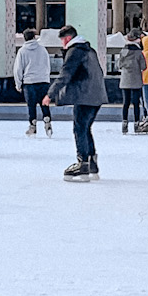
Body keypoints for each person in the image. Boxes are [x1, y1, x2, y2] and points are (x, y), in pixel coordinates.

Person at [51, 23, 105, 180]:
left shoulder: (75, 51)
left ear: (68, 38)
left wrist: (50, 94)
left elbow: (65, 74)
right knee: (85, 128)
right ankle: (91, 163)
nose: (62, 44)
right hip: (96, 95)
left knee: (79, 129)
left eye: (62, 40)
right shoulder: (90, 50)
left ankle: (82, 164)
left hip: (85, 95)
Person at [13, 28, 53, 136]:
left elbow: (18, 69)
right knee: (44, 103)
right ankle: (47, 121)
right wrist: (46, 77)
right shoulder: (42, 49)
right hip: (43, 80)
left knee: (31, 105)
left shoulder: (22, 51)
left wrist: (18, 84)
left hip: (29, 82)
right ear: (34, 37)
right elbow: (47, 65)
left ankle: (32, 126)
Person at [117, 31, 148, 133]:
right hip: (136, 80)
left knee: (125, 103)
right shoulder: (138, 52)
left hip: (125, 80)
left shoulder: (122, 51)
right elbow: (144, 66)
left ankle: (124, 123)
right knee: (136, 103)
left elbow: (119, 65)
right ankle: (136, 123)